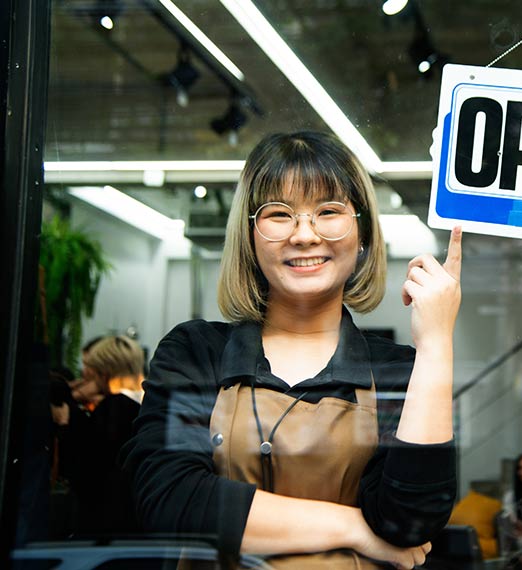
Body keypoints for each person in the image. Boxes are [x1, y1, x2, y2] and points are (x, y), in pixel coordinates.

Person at [121, 131, 462, 569]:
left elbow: (410, 524)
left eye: (329, 211)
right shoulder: (195, 353)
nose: (304, 235)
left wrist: (436, 344)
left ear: (361, 234)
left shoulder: (398, 373)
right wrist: (355, 528)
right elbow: (174, 501)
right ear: (250, 236)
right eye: (279, 214)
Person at [52, 335, 144, 534]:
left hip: (105, 519)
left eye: (93, 370)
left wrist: (67, 423)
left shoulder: (113, 409)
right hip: (135, 517)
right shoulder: (145, 405)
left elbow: (86, 469)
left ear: (105, 371)